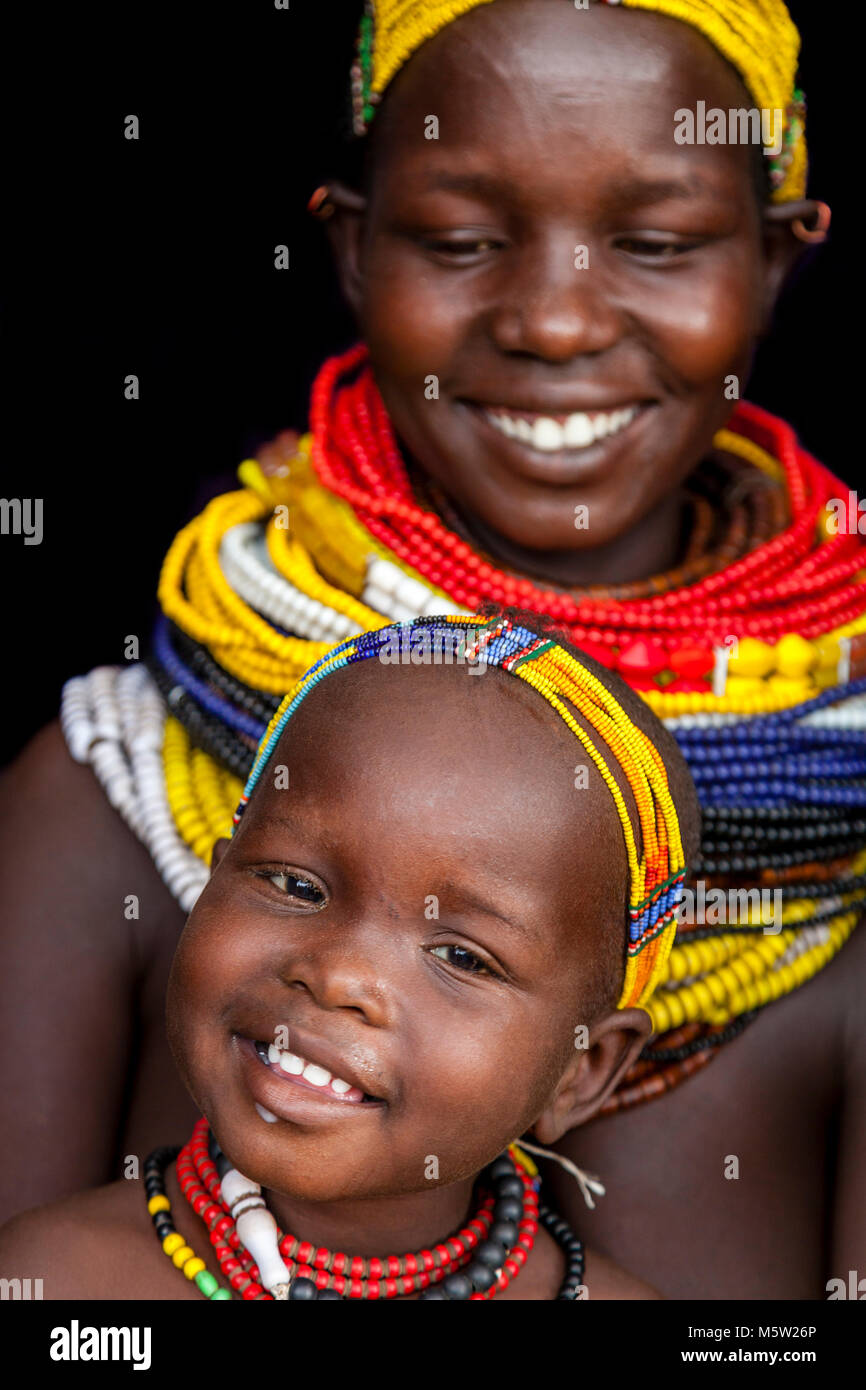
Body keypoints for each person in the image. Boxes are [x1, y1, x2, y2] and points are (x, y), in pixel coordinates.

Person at [1, 0, 862, 1298]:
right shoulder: (110, 788)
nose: (554, 324)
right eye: (459, 239)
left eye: (656, 240)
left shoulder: (843, 851)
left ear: (773, 259)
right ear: (349, 248)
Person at [0, 613, 698, 1300]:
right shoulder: (54, 1279)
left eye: (462, 956)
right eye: (294, 885)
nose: (339, 978)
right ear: (213, 881)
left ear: (583, 1070)